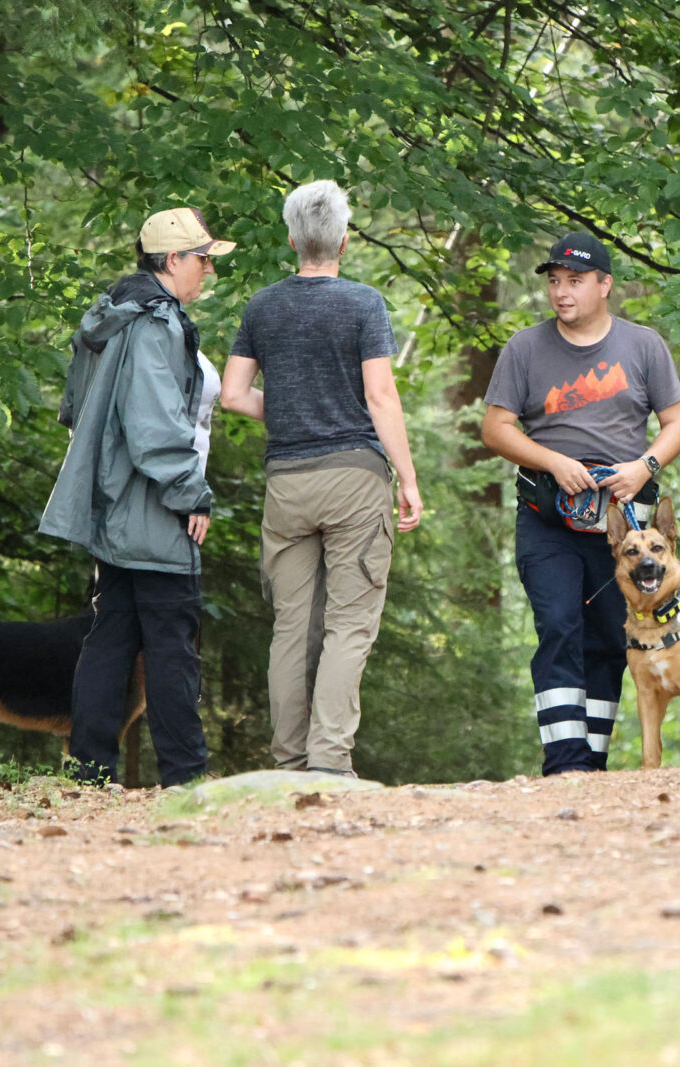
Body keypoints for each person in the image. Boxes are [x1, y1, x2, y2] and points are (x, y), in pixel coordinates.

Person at [221, 179, 422, 779]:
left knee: (290, 628)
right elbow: (380, 396)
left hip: (287, 480)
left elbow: (232, 395)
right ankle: (330, 764)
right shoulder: (363, 304)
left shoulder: (262, 306)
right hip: (355, 481)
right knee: (348, 626)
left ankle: (286, 763)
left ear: (292, 239)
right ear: (342, 240)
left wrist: (286, 408)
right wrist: (407, 479)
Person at [481, 232, 680, 775]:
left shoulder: (643, 346)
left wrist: (643, 467)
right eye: (554, 282)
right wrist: (553, 462)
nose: (562, 292)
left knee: (606, 639)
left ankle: (592, 764)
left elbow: (677, 423)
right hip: (546, 519)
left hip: (622, 529)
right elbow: (496, 428)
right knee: (558, 627)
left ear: (604, 285)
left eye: (575, 281)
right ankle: (565, 764)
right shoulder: (524, 349)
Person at [40, 206, 235, 788]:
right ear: (172, 260)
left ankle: (90, 773)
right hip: (151, 505)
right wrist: (191, 494)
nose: (208, 272)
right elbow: (154, 426)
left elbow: (74, 409)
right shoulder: (155, 324)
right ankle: (185, 777)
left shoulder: (114, 316)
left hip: (113, 502)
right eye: (203, 260)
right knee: (172, 642)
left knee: (112, 635)